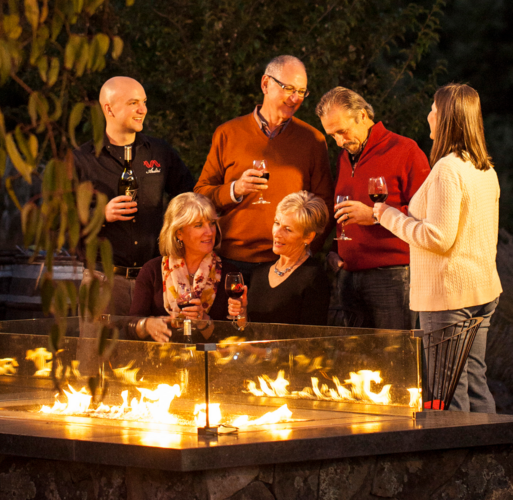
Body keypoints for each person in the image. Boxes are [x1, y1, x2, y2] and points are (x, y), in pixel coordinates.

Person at [373, 83, 501, 413]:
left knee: (448, 391)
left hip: (449, 295)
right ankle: (489, 461)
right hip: (481, 290)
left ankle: (453, 463)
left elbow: (437, 238)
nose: (428, 114)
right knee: (474, 381)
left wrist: (387, 215)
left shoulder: (447, 169)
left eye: (434, 108)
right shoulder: (484, 168)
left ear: (446, 118)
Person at [194, 55, 333, 283]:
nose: (295, 98)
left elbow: (325, 206)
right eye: (288, 88)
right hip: (232, 261)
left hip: (287, 264)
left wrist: (306, 252)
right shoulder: (228, 134)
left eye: (302, 91)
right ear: (265, 84)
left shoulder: (313, 141)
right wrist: (235, 190)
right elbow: (200, 195)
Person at [74, 76, 196, 315]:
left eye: (144, 102)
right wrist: (101, 214)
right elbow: (56, 221)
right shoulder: (81, 160)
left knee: (154, 352)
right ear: (108, 108)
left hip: (156, 280)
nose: (143, 110)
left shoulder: (161, 153)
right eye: (133, 103)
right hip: (103, 282)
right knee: (98, 352)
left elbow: (190, 198)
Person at [316, 87, 430, 330]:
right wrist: (336, 250)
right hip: (349, 274)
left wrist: (376, 216)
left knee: (395, 356)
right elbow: (343, 212)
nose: (339, 141)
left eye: (342, 132)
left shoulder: (405, 150)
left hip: (392, 275)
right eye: (332, 135)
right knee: (358, 360)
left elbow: (427, 214)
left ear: (363, 116)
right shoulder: (345, 157)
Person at [129, 193, 240, 342]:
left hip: (211, 360)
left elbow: (234, 337)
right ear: (179, 233)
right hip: (161, 359)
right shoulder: (152, 270)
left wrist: (204, 321)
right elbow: (130, 327)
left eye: (212, 223)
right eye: (199, 225)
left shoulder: (229, 273)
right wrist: (147, 325)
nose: (209, 232)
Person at [227, 191, 331, 326]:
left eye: (288, 229)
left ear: (308, 237)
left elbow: (312, 340)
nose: (277, 233)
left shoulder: (314, 277)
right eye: (277, 223)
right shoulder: (259, 272)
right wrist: (241, 312)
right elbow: (246, 330)